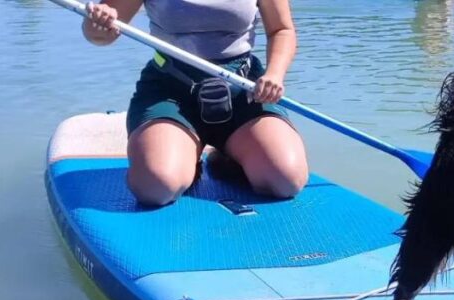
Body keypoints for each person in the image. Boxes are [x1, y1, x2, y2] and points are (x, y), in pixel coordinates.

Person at [82, 0, 309, 206]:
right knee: (155, 189)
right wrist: (98, 24)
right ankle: (185, 160)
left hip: (244, 89)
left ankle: (229, 158)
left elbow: (281, 30)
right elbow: (99, 35)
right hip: (170, 88)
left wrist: (274, 74)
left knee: (286, 181)